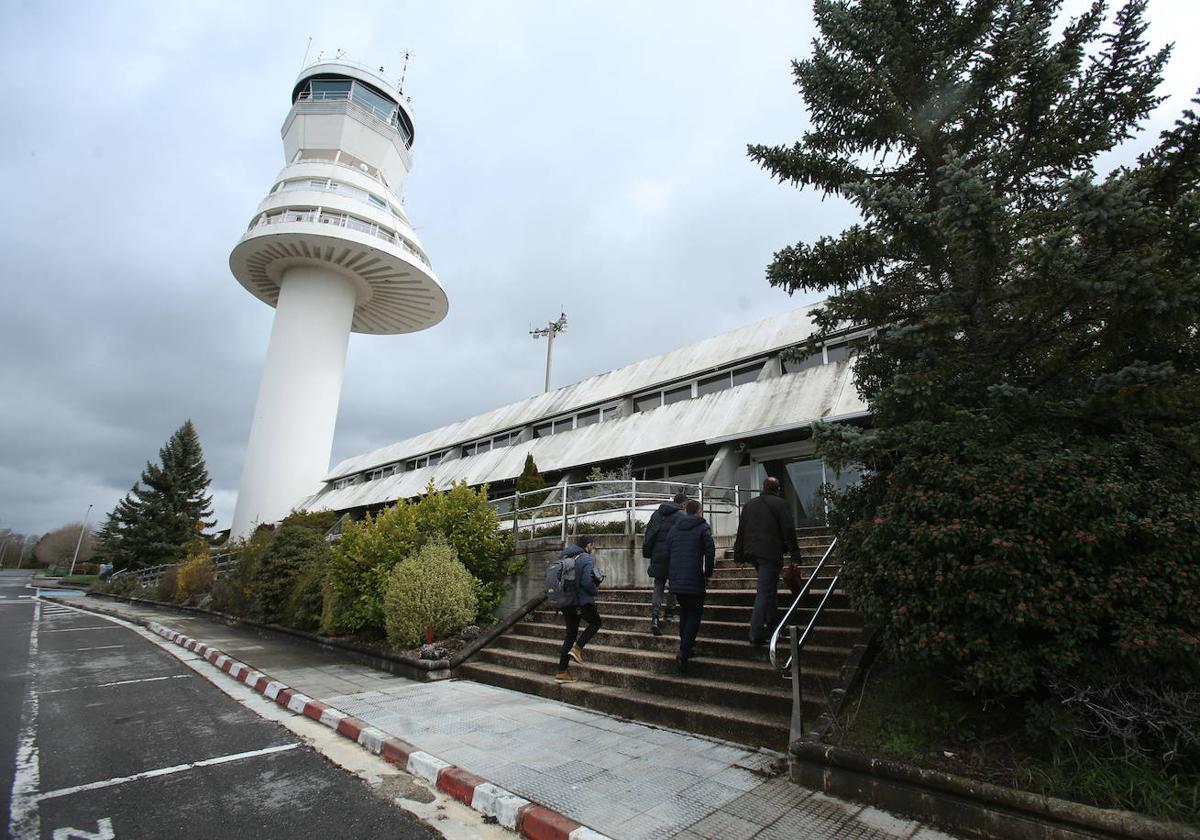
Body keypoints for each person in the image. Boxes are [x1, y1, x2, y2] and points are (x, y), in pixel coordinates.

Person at [735, 476, 798, 645]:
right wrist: (795, 555)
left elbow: (741, 530)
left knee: (768, 588)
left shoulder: (749, 505)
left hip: (752, 553)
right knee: (764, 591)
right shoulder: (780, 504)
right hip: (770, 553)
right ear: (777, 489)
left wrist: (739, 555)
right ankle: (756, 632)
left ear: (763, 487)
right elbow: (788, 530)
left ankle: (774, 623)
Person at [665, 499, 715, 675]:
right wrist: (708, 573)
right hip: (694, 579)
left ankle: (686, 646)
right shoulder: (703, 528)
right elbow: (710, 551)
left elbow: (668, 552)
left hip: (677, 580)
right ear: (698, 511)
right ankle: (684, 652)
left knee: (685, 613)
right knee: (694, 615)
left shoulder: (674, 529)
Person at [556, 535, 603, 683]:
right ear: (588, 545)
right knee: (596, 623)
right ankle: (578, 648)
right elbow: (587, 582)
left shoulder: (565, 556)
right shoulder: (586, 559)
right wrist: (595, 590)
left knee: (570, 634)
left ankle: (562, 672)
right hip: (580, 602)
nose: (592, 548)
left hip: (566, 602)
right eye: (592, 546)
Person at [641, 491, 687, 635]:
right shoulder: (681, 515)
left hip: (657, 555)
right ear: (683, 504)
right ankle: (670, 613)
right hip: (673, 555)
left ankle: (655, 618)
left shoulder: (656, 514)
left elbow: (648, 533)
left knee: (658, 586)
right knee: (673, 585)